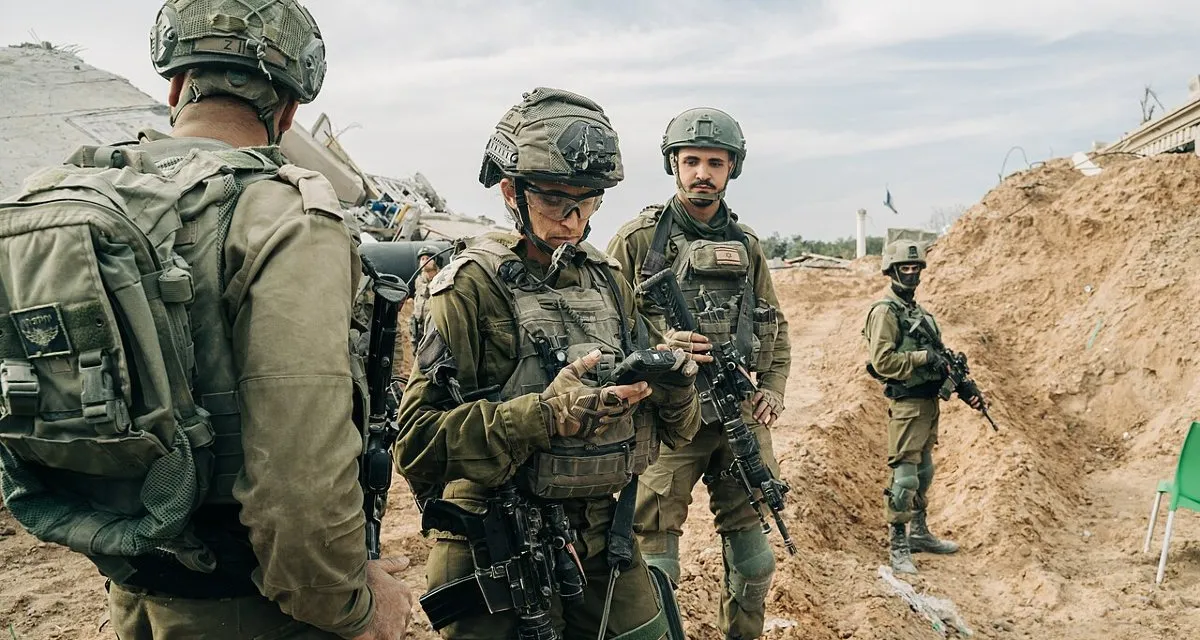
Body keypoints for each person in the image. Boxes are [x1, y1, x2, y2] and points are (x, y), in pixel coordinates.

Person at [0, 1, 412, 638]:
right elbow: (298, 484)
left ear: (174, 85)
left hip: (133, 583)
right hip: (255, 607)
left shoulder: (67, 196)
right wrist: (353, 610)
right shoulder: (285, 215)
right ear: (288, 109)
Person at [393, 87, 701, 639]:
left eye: (589, 201)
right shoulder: (467, 289)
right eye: (558, 199)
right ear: (512, 191)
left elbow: (676, 431)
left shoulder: (608, 281)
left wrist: (674, 386)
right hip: (494, 533)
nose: (574, 220)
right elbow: (415, 444)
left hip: (604, 531)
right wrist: (544, 416)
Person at [606, 107, 791, 640]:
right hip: (668, 423)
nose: (702, 173)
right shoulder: (638, 240)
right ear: (674, 165)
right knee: (656, 568)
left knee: (755, 566)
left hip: (736, 417)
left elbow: (773, 325)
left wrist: (773, 390)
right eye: (691, 161)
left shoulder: (748, 245)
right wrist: (661, 347)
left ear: (733, 168)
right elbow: (605, 322)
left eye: (715, 162)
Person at [862, 240, 976, 574]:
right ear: (892, 271)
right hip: (907, 404)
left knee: (924, 472)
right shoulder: (885, 312)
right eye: (905, 268)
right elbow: (881, 361)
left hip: (927, 402)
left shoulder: (920, 313)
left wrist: (962, 384)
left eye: (915, 268)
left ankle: (920, 533)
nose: (911, 273)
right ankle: (898, 543)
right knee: (905, 477)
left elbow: (939, 357)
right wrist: (923, 357)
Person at [408, 244, 442, 357]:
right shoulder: (419, 281)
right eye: (422, 259)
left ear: (437, 261)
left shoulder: (441, 281)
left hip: (434, 329)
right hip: (419, 327)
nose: (424, 261)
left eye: (428, 258)